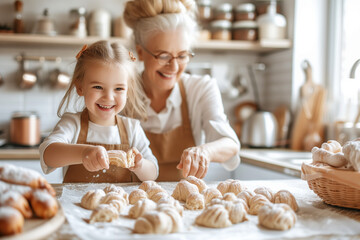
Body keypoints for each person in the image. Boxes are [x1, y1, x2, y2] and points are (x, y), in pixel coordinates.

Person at [123, 0, 240, 181]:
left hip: (183, 204)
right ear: (140, 52)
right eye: (163, 55)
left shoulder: (200, 89)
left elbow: (230, 144)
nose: (174, 66)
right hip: (130, 203)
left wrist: (205, 151)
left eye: (182, 55)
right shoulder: (121, 91)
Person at [39, 40, 158, 183]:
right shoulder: (72, 124)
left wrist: (140, 165)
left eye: (119, 89)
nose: (108, 97)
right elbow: (48, 155)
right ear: (80, 87)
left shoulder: (131, 128)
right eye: (98, 87)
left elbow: (153, 174)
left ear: (128, 91)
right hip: (77, 205)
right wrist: (83, 153)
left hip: (120, 204)